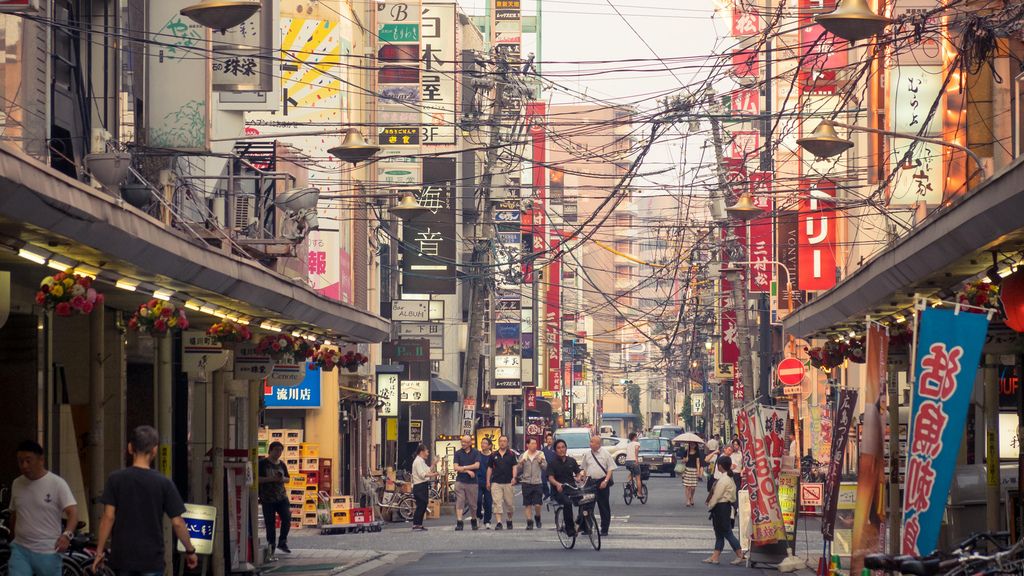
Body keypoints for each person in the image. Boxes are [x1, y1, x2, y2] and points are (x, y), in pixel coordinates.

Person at [94, 425, 199, 576]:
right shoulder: (164, 483)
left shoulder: (115, 479)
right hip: (151, 560)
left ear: (130, 448)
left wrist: (99, 551)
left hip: (122, 559)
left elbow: (108, 517)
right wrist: (190, 551)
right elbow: (177, 523)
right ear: (155, 450)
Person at [8, 440, 78, 576]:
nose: (24, 466)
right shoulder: (17, 483)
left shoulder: (57, 483)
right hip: (20, 549)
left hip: (48, 551)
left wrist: (67, 535)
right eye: (20, 461)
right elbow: (15, 513)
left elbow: (73, 512)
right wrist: (13, 536)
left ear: (41, 460)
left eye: (28, 461)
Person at [704, 455, 745, 566]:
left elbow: (717, 496)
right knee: (719, 533)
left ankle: (740, 554)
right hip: (723, 507)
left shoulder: (724, 479)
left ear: (720, 466)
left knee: (726, 532)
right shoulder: (727, 477)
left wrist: (710, 506)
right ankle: (715, 556)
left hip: (721, 507)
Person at [258, 441, 291, 557]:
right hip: (267, 498)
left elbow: (288, 479)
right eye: (276, 450)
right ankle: (271, 545)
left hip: (282, 497)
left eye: (280, 450)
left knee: (287, 518)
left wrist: (281, 479)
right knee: (270, 523)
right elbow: (257, 479)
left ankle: (282, 542)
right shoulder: (262, 463)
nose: (278, 452)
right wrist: (271, 479)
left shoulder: (282, 464)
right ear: (270, 450)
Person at [579, 435, 616, 536]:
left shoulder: (605, 454)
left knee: (603, 506)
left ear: (598, 444)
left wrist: (606, 480)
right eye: (590, 442)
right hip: (590, 482)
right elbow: (584, 468)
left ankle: (604, 529)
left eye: (592, 442)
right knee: (587, 505)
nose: (590, 443)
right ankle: (587, 527)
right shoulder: (587, 454)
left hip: (602, 482)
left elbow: (610, 468)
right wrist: (582, 476)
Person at [547, 439, 583, 537]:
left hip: (572, 488)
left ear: (566, 448)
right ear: (555, 450)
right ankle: (569, 528)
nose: (561, 449)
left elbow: (578, 472)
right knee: (567, 503)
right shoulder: (552, 463)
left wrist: (579, 478)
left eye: (563, 447)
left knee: (585, 500)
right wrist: (557, 484)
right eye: (559, 448)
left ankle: (580, 523)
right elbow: (550, 478)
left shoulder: (572, 461)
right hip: (559, 491)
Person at [487, 435, 518, 530]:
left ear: (507, 443)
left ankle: (509, 519)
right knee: (497, 502)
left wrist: (514, 477)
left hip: (508, 482)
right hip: (496, 482)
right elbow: (489, 468)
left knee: (509, 504)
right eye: (501, 441)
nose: (502, 443)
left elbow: (514, 467)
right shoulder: (493, 455)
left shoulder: (511, 454)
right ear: (498, 442)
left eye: (504, 441)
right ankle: (499, 522)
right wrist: (488, 481)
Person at [517, 438, 547, 530]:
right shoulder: (523, 455)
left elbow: (545, 467)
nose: (534, 445)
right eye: (532, 443)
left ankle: (538, 517)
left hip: (537, 482)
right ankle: (529, 522)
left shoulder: (540, 454)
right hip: (526, 482)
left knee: (538, 504)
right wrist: (521, 463)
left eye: (535, 443)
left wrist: (540, 461)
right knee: (528, 504)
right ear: (528, 445)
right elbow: (518, 469)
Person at [452, 435, 480, 531]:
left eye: (465, 442)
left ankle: (474, 520)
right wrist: (467, 470)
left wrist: (463, 467)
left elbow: (477, 465)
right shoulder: (458, 453)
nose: (463, 443)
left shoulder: (476, 452)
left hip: (472, 482)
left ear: (470, 443)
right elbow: (456, 467)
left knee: (473, 504)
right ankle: (459, 522)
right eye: (462, 441)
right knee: (460, 502)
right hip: (460, 481)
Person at [411, 444, 438, 531]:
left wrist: (434, 463)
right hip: (419, 485)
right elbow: (422, 475)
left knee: (423, 504)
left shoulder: (421, 461)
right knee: (421, 504)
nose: (428, 453)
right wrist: (434, 474)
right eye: (427, 451)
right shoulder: (418, 461)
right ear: (422, 452)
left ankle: (418, 524)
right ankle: (416, 524)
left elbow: (428, 470)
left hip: (422, 485)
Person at [476, 438, 494, 529]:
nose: (483, 444)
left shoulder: (493, 456)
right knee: (478, 500)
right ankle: (478, 516)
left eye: (485, 443)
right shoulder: (477, 454)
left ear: (490, 446)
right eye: (482, 442)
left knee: (488, 502)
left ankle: (487, 521)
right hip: (478, 480)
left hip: (490, 482)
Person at [682, 442, 703, 507]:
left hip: (694, 470)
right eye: (691, 444)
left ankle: (691, 497)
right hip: (687, 469)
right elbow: (682, 461)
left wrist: (698, 471)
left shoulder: (697, 453)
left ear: (696, 445)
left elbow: (698, 462)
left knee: (693, 487)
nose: (692, 445)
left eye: (693, 444)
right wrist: (686, 459)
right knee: (687, 486)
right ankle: (688, 500)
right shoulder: (686, 452)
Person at [624, 432, 643, 496]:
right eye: (636, 437)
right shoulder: (637, 443)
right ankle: (639, 493)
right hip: (633, 461)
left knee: (632, 473)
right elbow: (636, 451)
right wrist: (636, 460)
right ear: (634, 437)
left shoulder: (628, 444)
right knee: (638, 478)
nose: (637, 438)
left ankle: (628, 484)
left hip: (627, 462)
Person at [541, 432, 557, 501]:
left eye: (551, 439)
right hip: (545, 468)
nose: (549, 440)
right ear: (546, 440)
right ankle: (546, 493)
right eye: (548, 439)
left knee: (552, 482)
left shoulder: (555, 449)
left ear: (553, 440)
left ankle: (552, 495)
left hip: (553, 468)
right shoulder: (543, 450)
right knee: (543, 481)